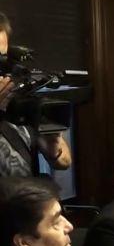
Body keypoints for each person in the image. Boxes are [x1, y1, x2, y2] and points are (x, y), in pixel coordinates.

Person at [0, 12, 71, 178]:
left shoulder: (19, 99)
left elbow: (65, 162)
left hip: (26, 193)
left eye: (2, 57)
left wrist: (54, 148)